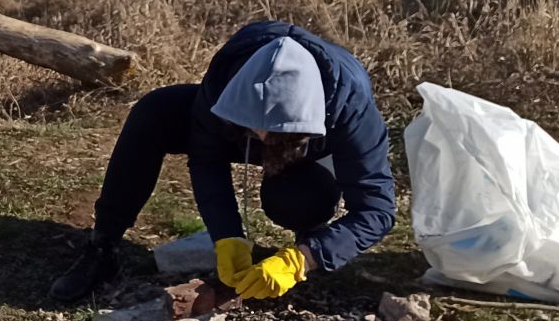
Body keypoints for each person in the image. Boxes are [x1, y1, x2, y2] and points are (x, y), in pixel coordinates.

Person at [51, 20, 396, 304]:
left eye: (273, 135)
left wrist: (303, 258)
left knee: (300, 197)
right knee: (153, 113)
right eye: (255, 131)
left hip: (312, 153)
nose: (263, 142)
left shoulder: (352, 108)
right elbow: (207, 159)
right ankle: (103, 245)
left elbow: (376, 209)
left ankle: (308, 242)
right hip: (235, 117)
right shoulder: (225, 82)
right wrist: (226, 237)